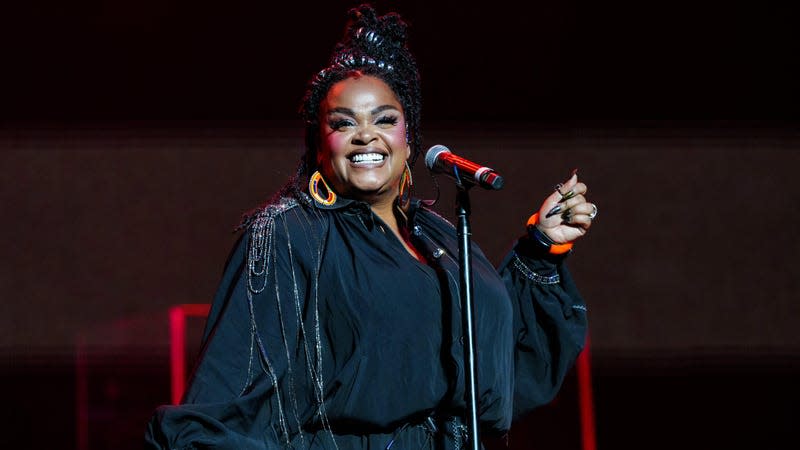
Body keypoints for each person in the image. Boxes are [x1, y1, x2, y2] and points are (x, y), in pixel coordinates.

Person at [145, 4, 597, 449]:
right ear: (318, 145)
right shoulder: (289, 234)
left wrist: (542, 247)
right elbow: (230, 396)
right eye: (343, 123)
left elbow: (499, 369)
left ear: (409, 137)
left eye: (385, 119)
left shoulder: (439, 237)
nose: (366, 134)